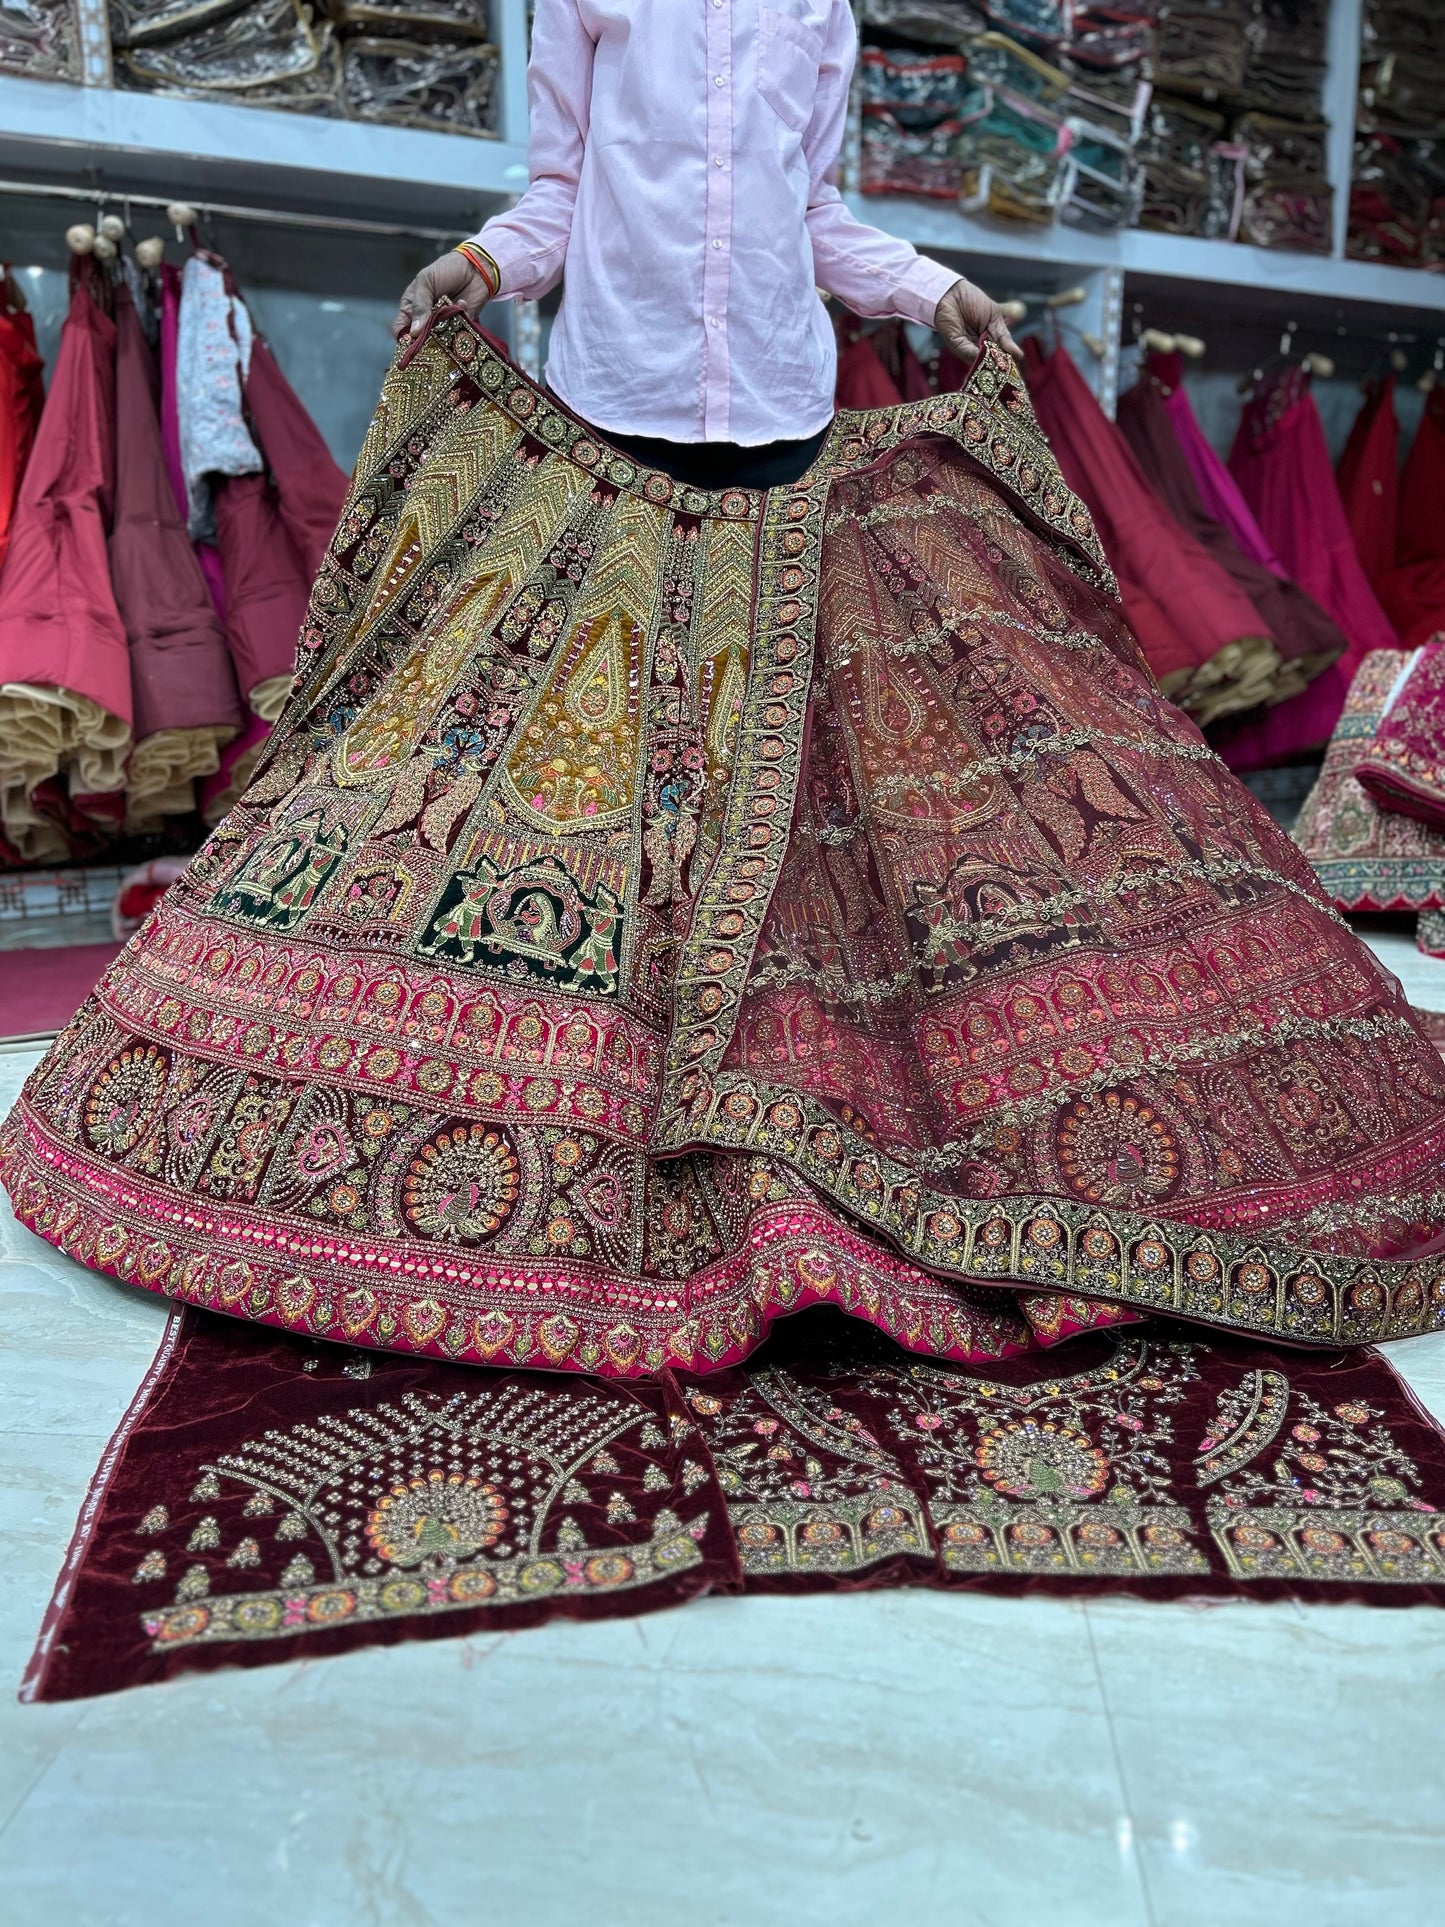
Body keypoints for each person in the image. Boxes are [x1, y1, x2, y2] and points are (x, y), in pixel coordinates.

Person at [4, 0, 1445, 1374]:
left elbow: (812, 218)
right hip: (614, 406)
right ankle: (607, 1070)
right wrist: (480, 268)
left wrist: (931, 288)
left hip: (778, 411)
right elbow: (558, 193)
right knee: (604, 760)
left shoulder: (815, 13)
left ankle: (774, 1053)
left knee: (795, 765)